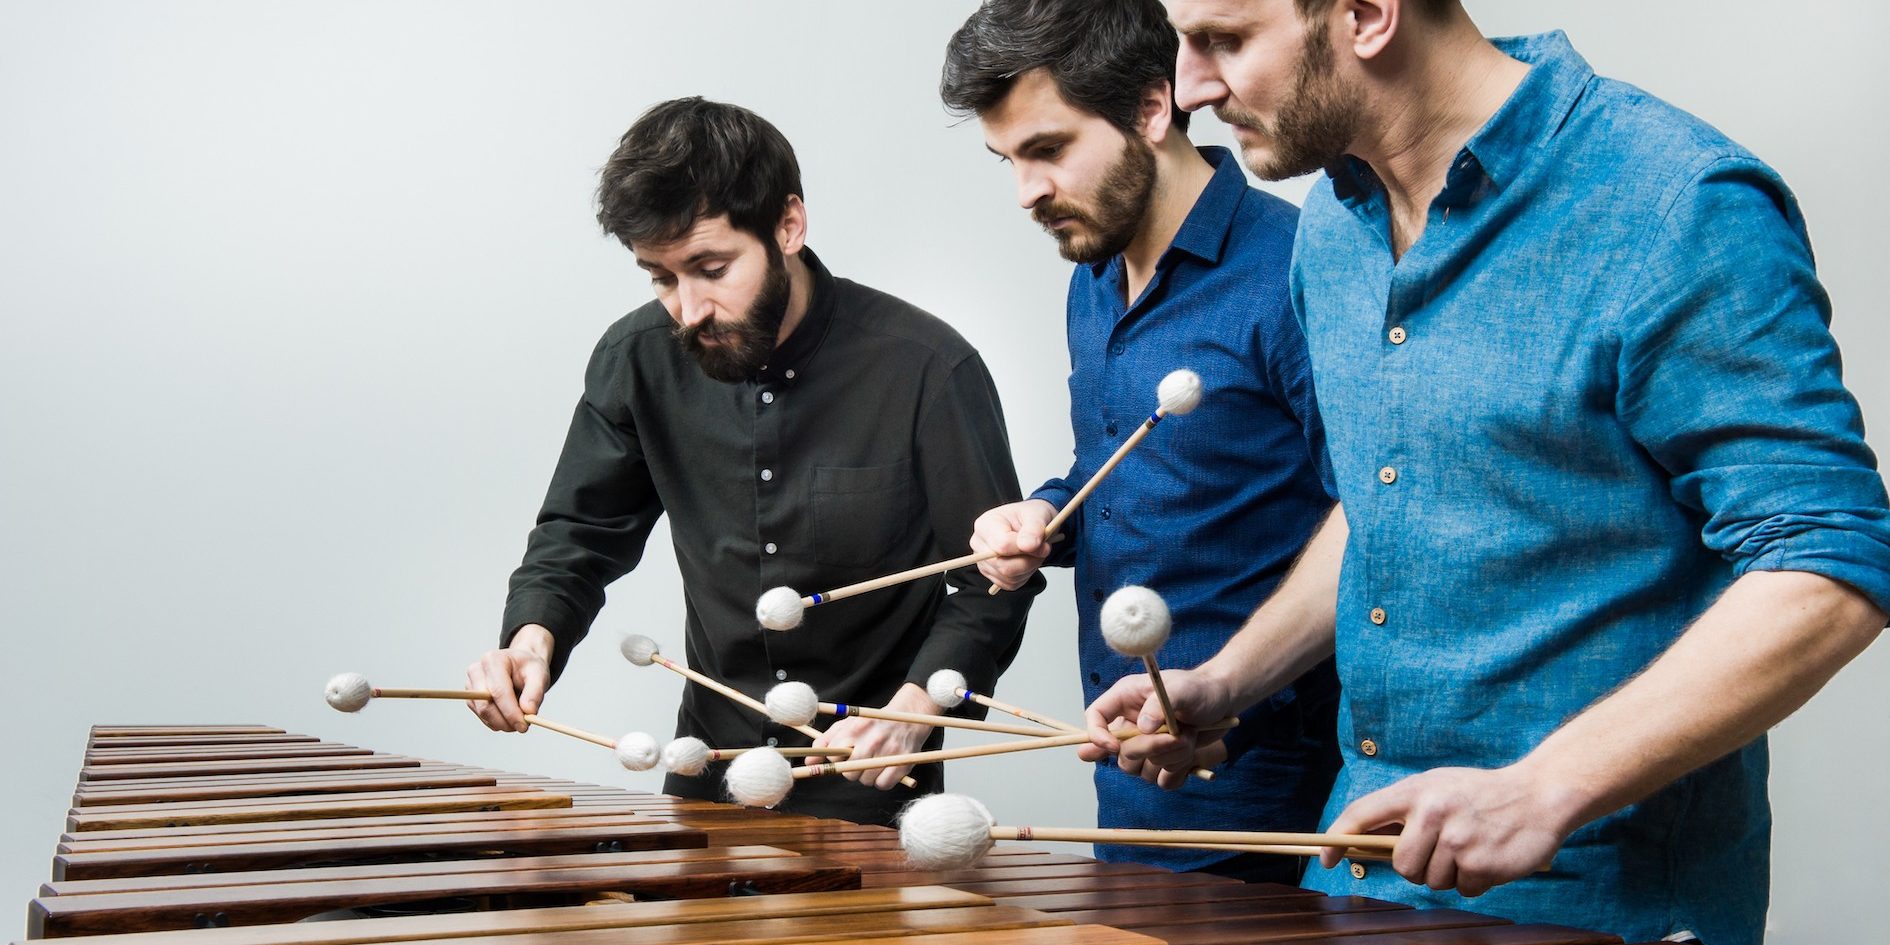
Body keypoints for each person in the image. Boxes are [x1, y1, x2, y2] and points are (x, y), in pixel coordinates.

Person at [1081, 2, 1890, 942]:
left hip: (1590, 903)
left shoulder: (1676, 203)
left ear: (1366, 15)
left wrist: (1545, 787)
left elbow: (1829, 562)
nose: (1187, 88)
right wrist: (1227, 681)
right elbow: (1388, 497)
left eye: (1223, 40)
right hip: (1359, 875)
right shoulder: (1332, 227)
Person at [467, 97, 1043, 826]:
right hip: (708, 771)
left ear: (788, 226)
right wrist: (532, 637)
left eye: (711, 268)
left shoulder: (928, 368)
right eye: (661, 277)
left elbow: (993, 581)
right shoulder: (636, 359)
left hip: (871, 785)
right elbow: (579, 534)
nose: (689, 309)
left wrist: (917, 707)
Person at [941, 0, 1340, 884]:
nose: (1026, 191)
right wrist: (1043, 515)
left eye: (1048, 149)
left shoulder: (1299, 271)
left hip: (1273, 797)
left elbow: (1376, 521)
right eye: (1009, 161)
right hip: (1126, 779)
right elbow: (1120, 471)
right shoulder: (1093, 277)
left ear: (1153, 109)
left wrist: (1238, 692)